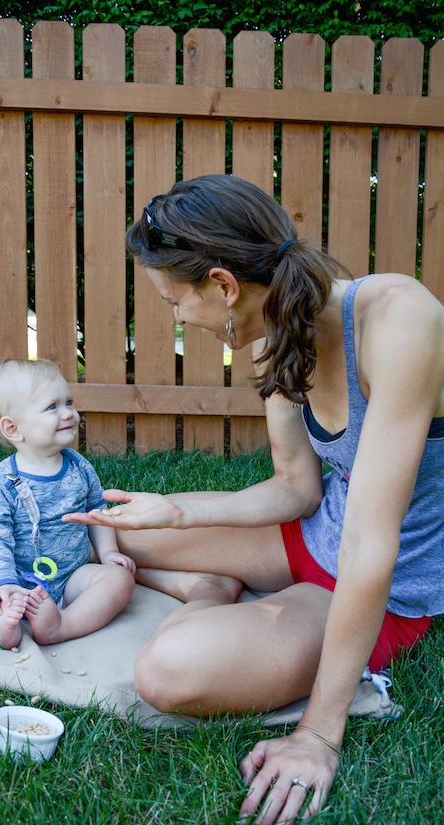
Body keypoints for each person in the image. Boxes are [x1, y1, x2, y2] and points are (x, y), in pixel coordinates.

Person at [63, 175, 444, 824]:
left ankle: (217, 599)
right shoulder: (278, 331)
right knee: (115, 530)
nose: (178, 319)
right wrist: (177, 512)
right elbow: (297, 486)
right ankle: (209, 585)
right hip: (316, 534)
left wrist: (317, 734)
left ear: (223, 285)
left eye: (174, 301)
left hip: (382, 586)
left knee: (166, 672)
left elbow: (370, 544)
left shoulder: (400, 321)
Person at [0, 358, 135, 651]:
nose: (68, 413)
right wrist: (1, 584)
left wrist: (109, 552)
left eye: (69, 403)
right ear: (13, 428)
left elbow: (97, 512)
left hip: (71, 577)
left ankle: (61, 625)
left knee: (119, 579)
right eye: (52, 407)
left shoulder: (79, 467)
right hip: (13, 580)